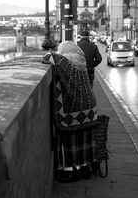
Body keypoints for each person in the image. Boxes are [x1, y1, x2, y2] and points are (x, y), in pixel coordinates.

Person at [42, 41, 98, 182]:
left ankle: (71, 172)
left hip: (74, 108)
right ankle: (85, 169)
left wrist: (52, 52)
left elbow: (48, 57)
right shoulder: (80, 60)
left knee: (70, 140)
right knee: (86, 138)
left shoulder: (66, 61)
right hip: (89, 105)